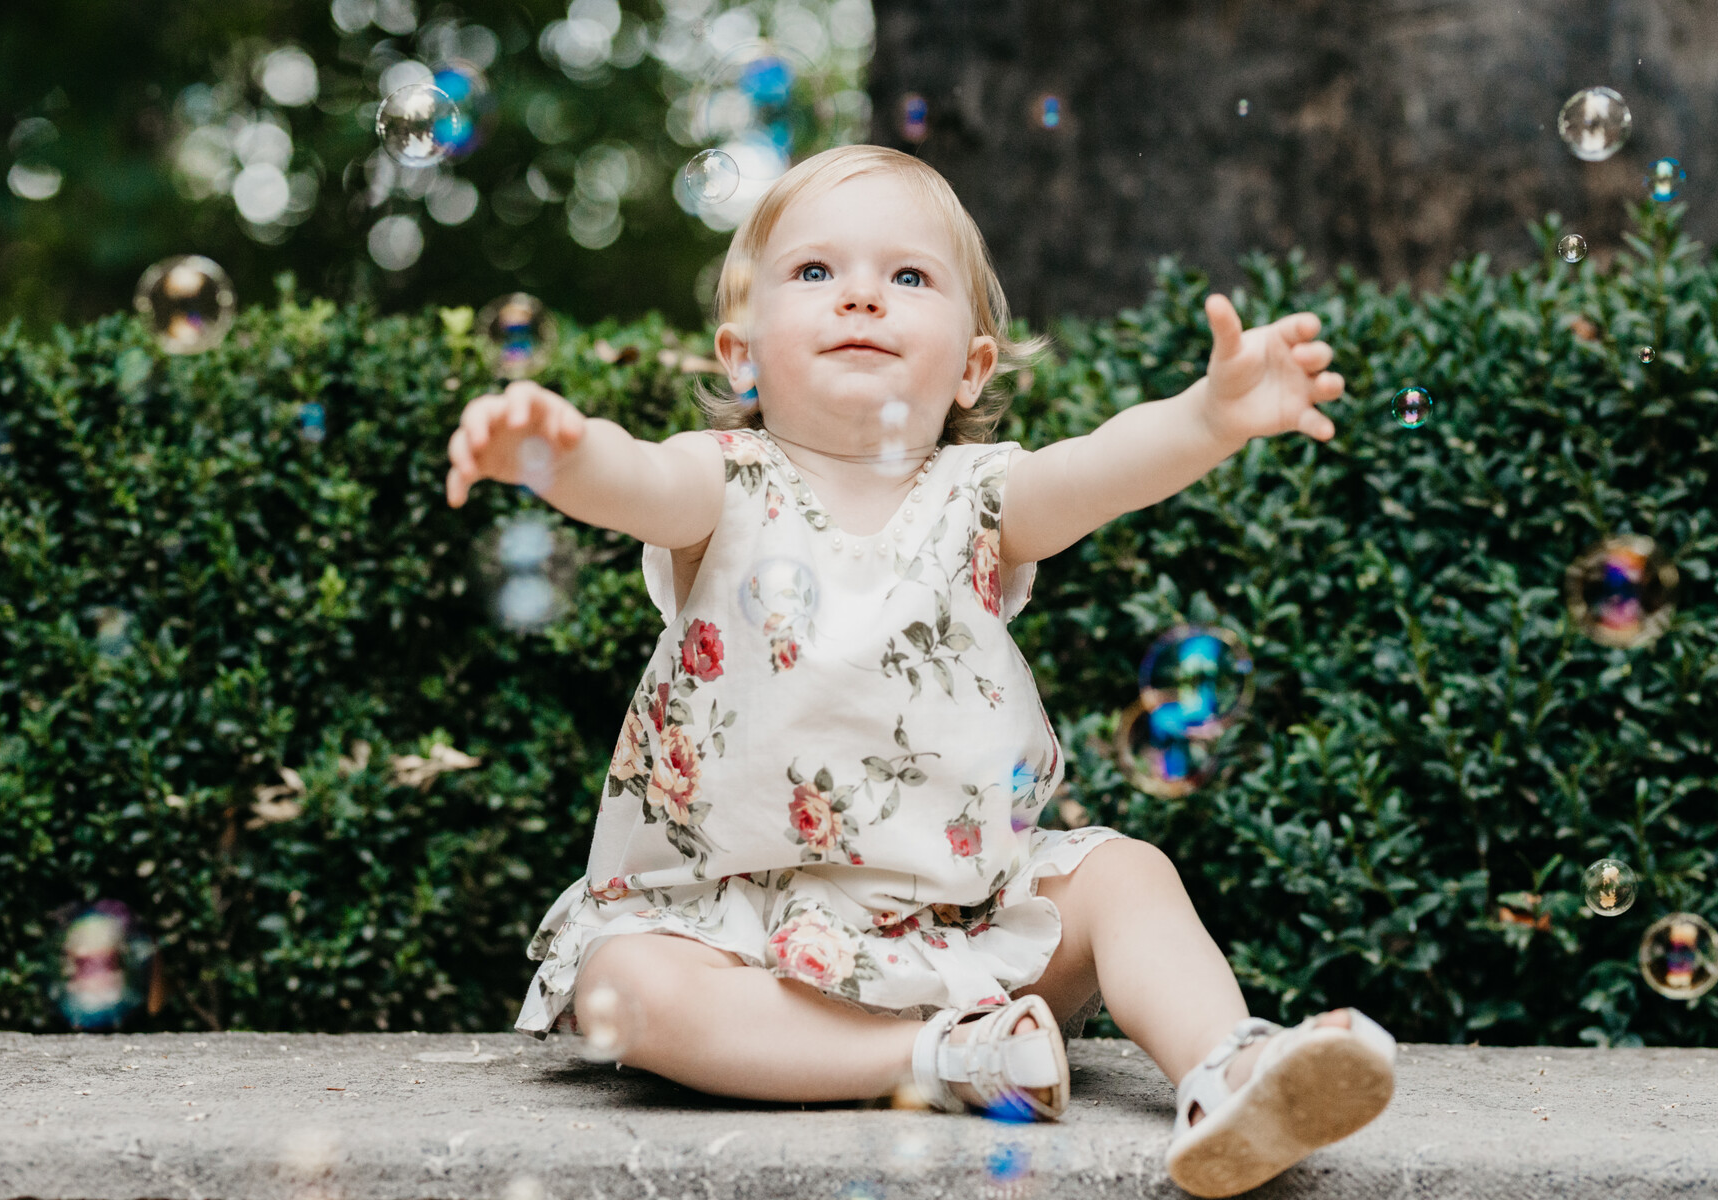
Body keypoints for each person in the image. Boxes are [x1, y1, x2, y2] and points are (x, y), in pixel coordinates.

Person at [443, 144, 1393, 1198]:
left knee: (1128, 878)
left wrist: (1208, 419)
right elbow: (630, 477)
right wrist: (557, 452)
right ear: (742, 353)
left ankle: (1230, 1068)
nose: (860, 294)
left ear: (974, 367)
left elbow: (1103, 467)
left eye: (908, 277)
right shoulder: (720, 487)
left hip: (971, 920)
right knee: (630, 986)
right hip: (735, 929)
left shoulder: (985, 500)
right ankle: (938, 1061)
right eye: (813, 273)